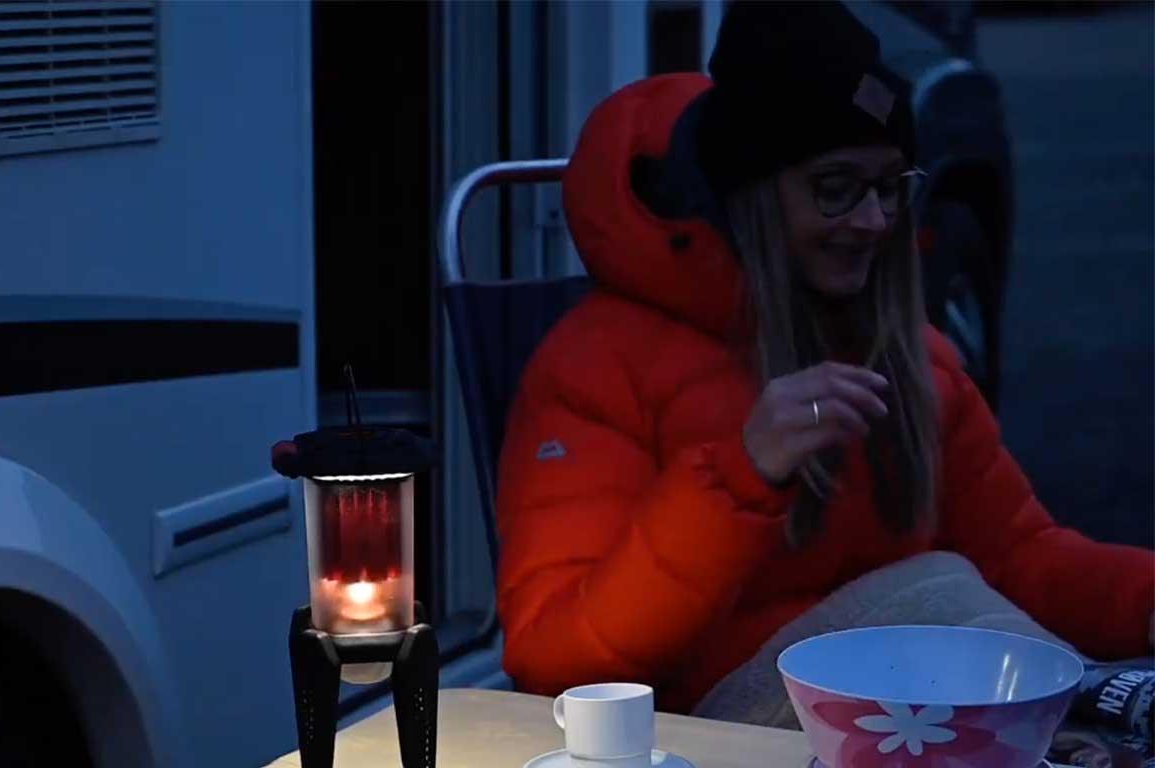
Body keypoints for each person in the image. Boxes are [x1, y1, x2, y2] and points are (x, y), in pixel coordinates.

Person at [495, 1, 1154, 715]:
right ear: (750, 197)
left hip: (892, 727)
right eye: (836, 189)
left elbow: (1020, 557)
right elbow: (553, 657)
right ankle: (1082, 715)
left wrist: (1144, 599)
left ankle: (1084, 722)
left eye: (889, 189)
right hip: (700, 736)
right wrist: (740, 476)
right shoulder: (601, 365)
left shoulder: (911, 355)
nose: (872, 221)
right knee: (935, 590)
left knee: (954, 613)